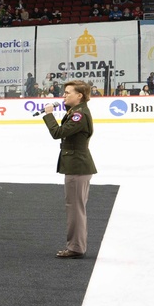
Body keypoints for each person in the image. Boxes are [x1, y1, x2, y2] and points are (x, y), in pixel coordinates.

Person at [42, 80, 97, 258]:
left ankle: (75, 247)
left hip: (77, 167)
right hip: (76, 166)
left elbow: (58, 133)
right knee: (75, 208)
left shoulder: (79, 115)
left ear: (79, 95)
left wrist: (49, 115)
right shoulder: (76, 112)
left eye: (67, 93)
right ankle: (76, 245)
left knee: (75, 209)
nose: (64, 95)